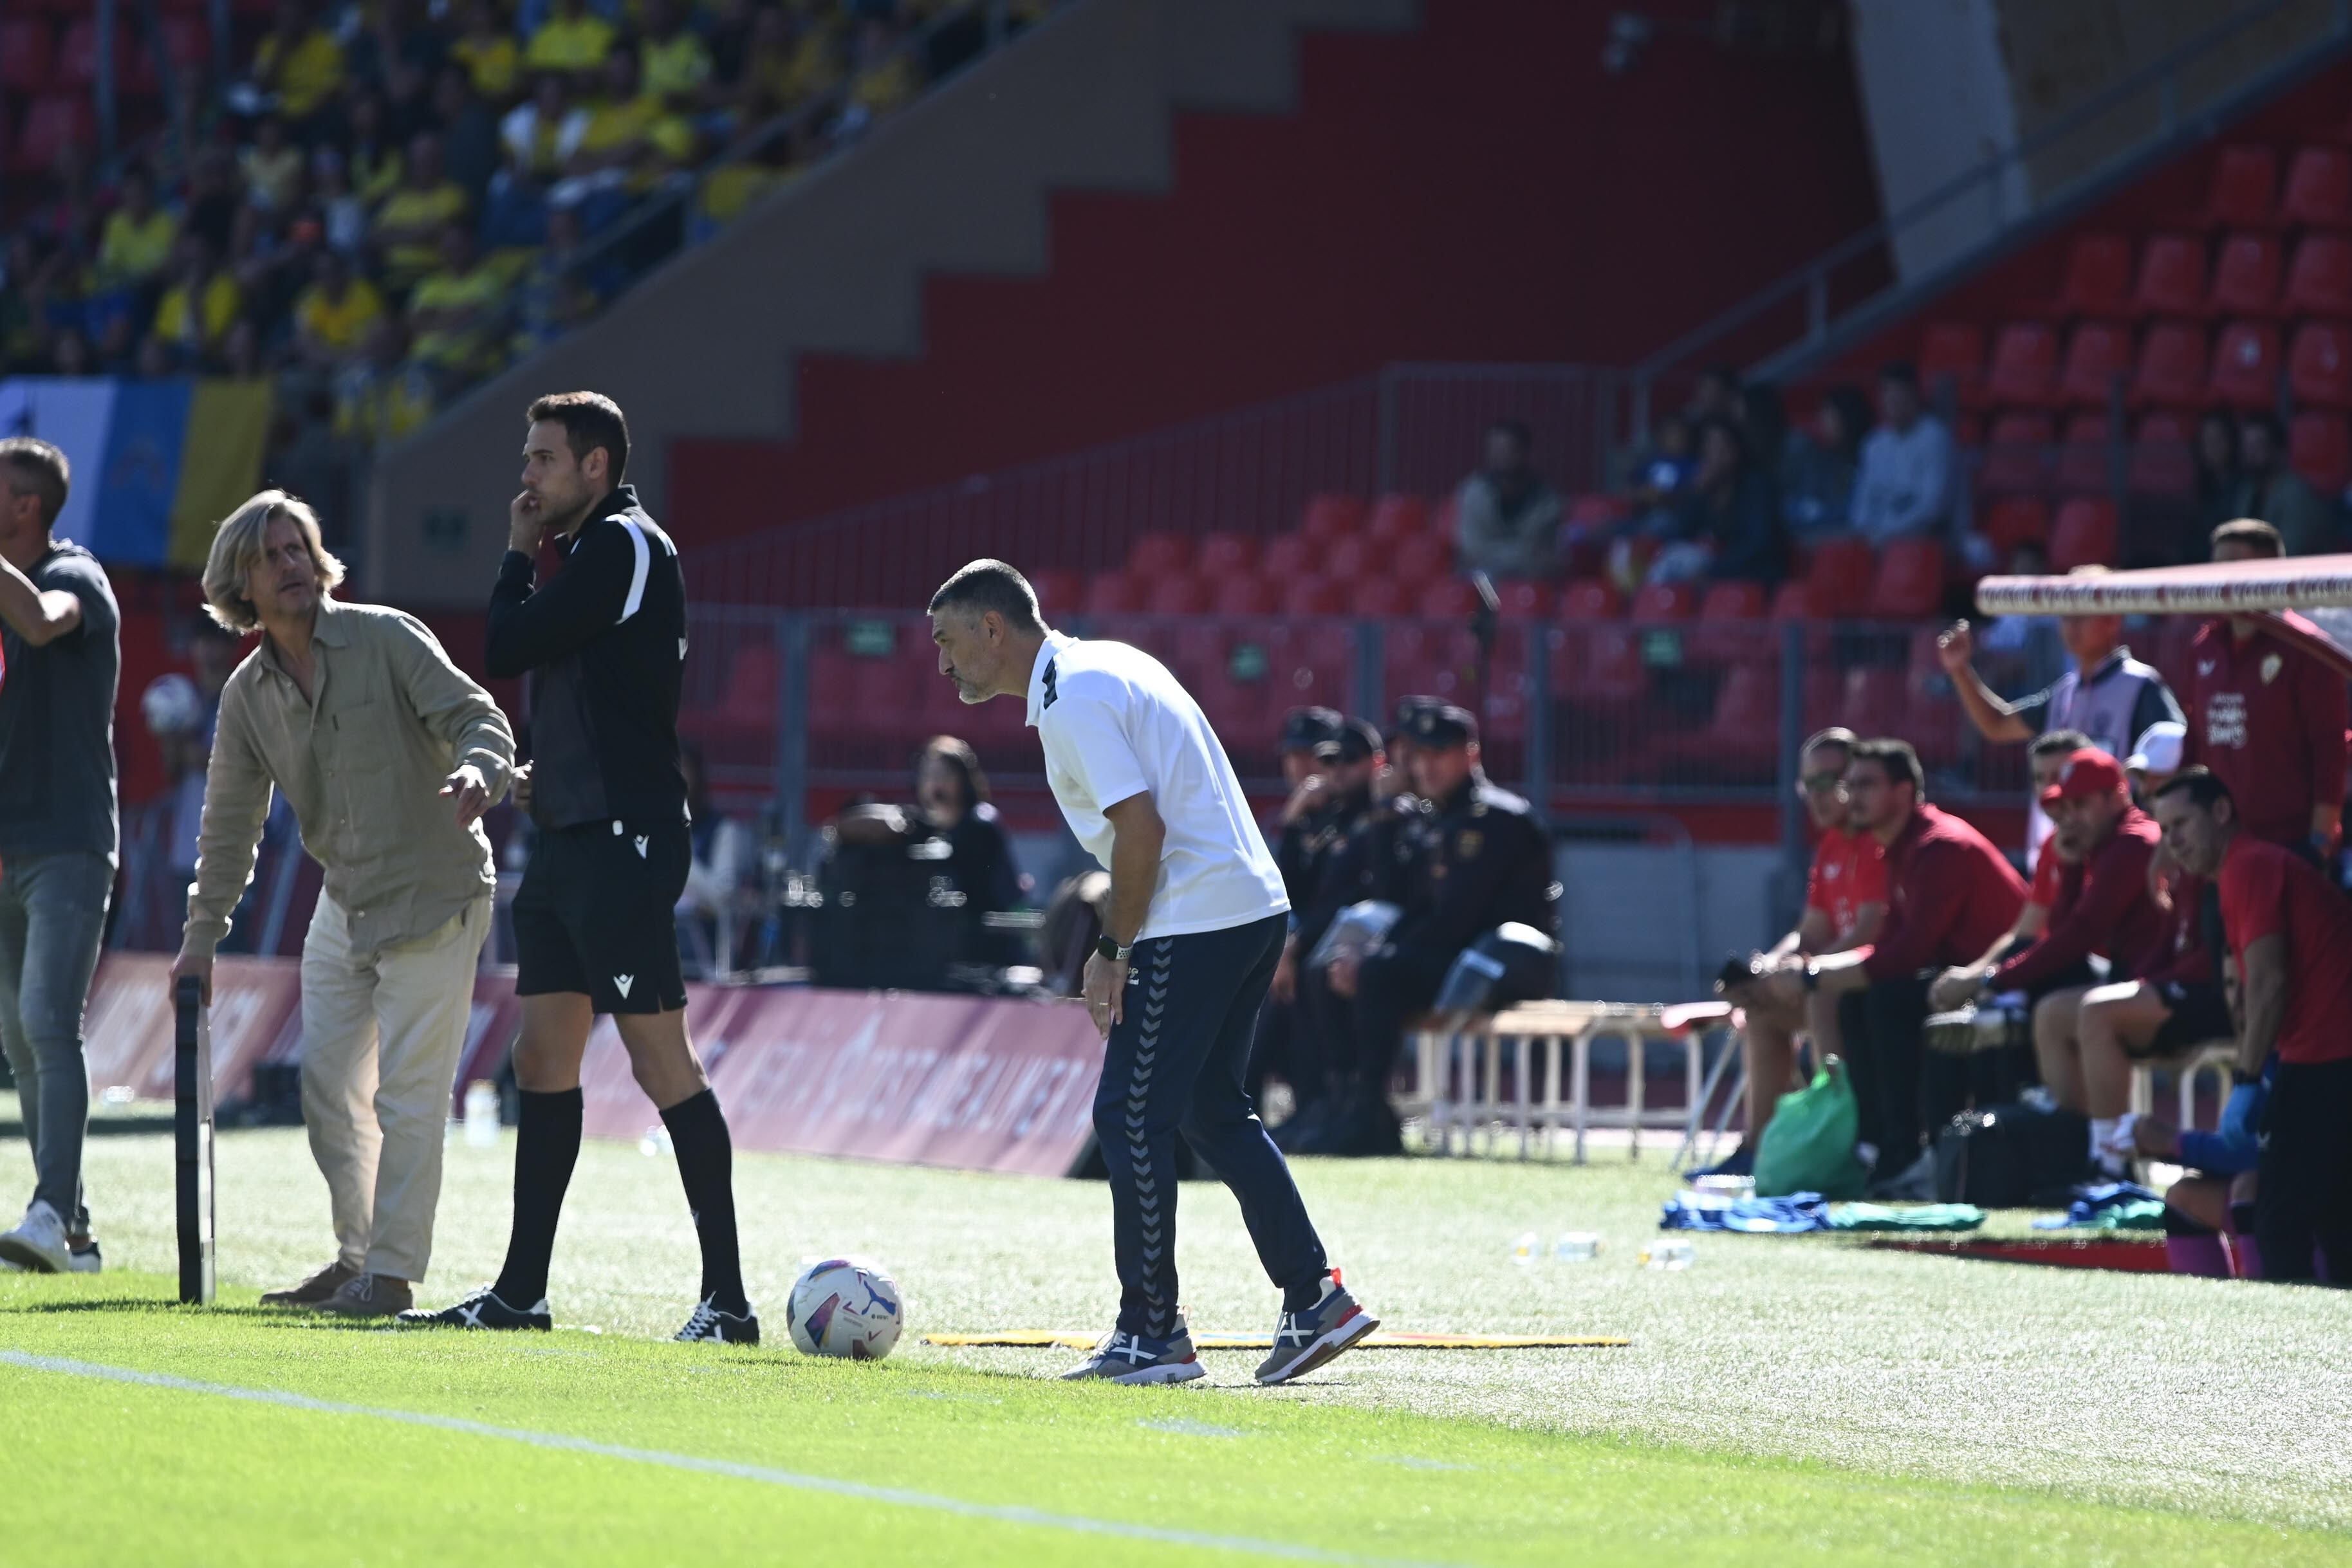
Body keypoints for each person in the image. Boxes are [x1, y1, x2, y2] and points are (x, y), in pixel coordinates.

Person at [925, 558, 1378, 1385]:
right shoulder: (1106, 664)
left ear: (994, 629)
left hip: (1194, 916)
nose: (943, 664)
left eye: (949, 642)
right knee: (1210, 1109)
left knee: (1128, 1114)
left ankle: (1151, 1333)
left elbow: (1140, 831)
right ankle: (1314, 1298)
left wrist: (1112, 952)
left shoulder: (1073, 697)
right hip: (1248, 906)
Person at [405, 392, 754, 1342]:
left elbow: (508, 644)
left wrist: (516, 552)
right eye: (526, 459)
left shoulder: (624, 545)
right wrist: (529, 776)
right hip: (566, 835)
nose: (526, 478)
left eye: (543, 460)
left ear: (595, 467)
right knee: (541, 1056)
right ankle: (520, 1295)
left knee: (658, 1060)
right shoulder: (591, 555)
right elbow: (580, 689)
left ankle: (727, 1300)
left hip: (622, 840)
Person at [167, 493, 514, 1316]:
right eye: (270, 556)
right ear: (238, 584)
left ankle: (388, 1277)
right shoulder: (248, 695)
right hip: (348, 903)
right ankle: (358, 1257)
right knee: (326, 1089)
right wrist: (200, 941)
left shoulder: (386, 635)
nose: (291, 565)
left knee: (409, 1098)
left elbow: (480, 716)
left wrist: (479, 771)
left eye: (299, 549)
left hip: (437, 895)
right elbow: (227, 830)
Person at [1760, 739, 2026, 1189]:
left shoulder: (1938, 847)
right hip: (1952, 980)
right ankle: (1874, 1143)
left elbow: (1907, 953)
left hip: (2006, 981)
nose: (1851, 795)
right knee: (1858, 1001)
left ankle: (1901, 1148)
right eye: (1849, 784)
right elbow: (1894, 946)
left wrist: (1813, 973)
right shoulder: (1896, 848)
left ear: (1904, 793)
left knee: (1882, 1000)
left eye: (1865, 784)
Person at [1315, 705, 1559, 1154]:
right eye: (1419, 755)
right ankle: (1339, 1103)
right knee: (1332, 971)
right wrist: (1386, 817)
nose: (1426, 766)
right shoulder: (1430, 818)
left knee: (1378, 974)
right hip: (1450, 957)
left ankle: (1367, 1111)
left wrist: (1375, 959)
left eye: (1439, 754)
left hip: (1499, 962)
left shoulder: (1494, 817)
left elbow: (1455, 918)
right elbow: (1400, 900)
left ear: (1470, 754)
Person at [2152, 768, 2352, 1285]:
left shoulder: (2249, 866)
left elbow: (2267, 982)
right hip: (2326, 1054)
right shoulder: (2249, 871)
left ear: (2221, 812)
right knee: (2332, 1218)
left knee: (2279, 1222)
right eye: (2163, 829)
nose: (2173, 840)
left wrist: (2244, 1080)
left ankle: (2285, 1353)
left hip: (2325, 1056)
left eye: (2180, 823)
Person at [0, 439, 119, 1275]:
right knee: (18, 1037)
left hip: (70, 841)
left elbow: (42, 624)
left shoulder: (77, 576)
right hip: (11, 845)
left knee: (47, 1022)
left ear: (25, 507)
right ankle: (71, 1226)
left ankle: (50, 1212)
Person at [1704, 728, 1884, 1174]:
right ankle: (1759, 1152)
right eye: (1809, 784)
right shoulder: (1830, 846)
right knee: (1763, 1011)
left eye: (1830, 780)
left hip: (1875, 986)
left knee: (1819, 995)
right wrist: (1767, 965)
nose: (1818, 795)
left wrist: (1803, 972)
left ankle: (1836, 1142)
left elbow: (1867, 934)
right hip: (1835, 980)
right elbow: (1811, 929)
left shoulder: (1876, 842)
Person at [1937, 581, 2181, 863]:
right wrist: (1960, 670)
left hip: (2120, 857)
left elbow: (2172, 760)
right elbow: (1996, 724)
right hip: (2058, 858)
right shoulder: (2064, 691)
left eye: (2082, 617)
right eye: (2066, 618)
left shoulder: (2143, 687)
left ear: (2113, 621)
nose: (2071, 627)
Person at [2181, 519, 2349, 855]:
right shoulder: (2205, 646)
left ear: (2270, 572)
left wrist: (2321, 832)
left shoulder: (2308, 648)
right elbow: (2196, 738)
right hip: (2216, 841)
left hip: (2288, 841)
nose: (2220, 581)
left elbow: (2330, 745)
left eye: (2232, 568)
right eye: (2214, 569)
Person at [912, 733, 1026, 968]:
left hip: (987, 941)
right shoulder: (922, 829)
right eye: (929, 776)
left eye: (944, 776)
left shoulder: (980, 824)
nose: (936, 785)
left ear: (963, 779)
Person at [1850, 361, 1954, 544]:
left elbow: (1933, 508)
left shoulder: (1936, 437)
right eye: (1887, 393)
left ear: (1914, 395)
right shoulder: (1873, 443)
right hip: (1875, 540)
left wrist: (1888, 534)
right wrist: (1866, 531)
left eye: (1899, 393)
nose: (1892, 401)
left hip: (1923, 541)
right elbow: (1861, 504)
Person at [1452, 420, 1562, 580]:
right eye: (1494, 450)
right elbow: (1473, 551)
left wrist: (1502, 553)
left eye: (1507, 450)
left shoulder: (1547, 500)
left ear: (1524, 452)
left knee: (1542, 579)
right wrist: (1519, 553)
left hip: (1529, 577)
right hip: (1484, 576)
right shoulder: (1472, 494)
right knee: (1480, 579)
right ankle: (1492, 606)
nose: (1499, 456)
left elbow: (1547, 554)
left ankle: (1523, 604)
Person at [2230, 412, 2335, 557]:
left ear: (2277, 451)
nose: (2251, 454)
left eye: (2259, 446)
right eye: (2247, 447)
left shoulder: (2296, 496)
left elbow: (2289, 552)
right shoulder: (2246, 493)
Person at [1782, 385, 1872, 537]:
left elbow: (1855, 512)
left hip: (1850, 539)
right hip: (1813, 539)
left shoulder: (1868, 456)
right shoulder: (1817, 459)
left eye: (1829, 416)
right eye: (1822, 416)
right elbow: (1800, 503)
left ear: (1847, 418)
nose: (1822, 423)